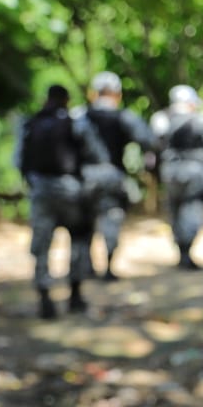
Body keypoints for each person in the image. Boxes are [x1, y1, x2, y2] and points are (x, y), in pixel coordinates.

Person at [15, 84, 111, 318]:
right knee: (78, 238)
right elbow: (98, 155)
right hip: (70, 190)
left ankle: (45, 297)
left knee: (41, 244)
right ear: (66, 100)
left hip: (40, 191)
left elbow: (19, 160)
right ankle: (75, 295)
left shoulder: (31, 124)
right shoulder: (75, 123)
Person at [74, 71, 157, 280]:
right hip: (112, 176)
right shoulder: (124, 117)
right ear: (117, 94)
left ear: (94, 94)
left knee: (83, 223)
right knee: (111, 218)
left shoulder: (79, 115)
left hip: (84, 177)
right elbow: (149, 141)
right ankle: (108, 268)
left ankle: (85, 267)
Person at [150, 85, 203, 269]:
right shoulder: (202, 120)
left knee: (174, 210)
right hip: (195, 172)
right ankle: (186, 251)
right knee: (192, 208)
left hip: (169, 172)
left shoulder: (161, 119)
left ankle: (181, 251)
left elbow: (153, 145)